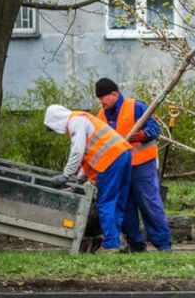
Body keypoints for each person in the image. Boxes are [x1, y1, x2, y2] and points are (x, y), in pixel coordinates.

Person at [95, 78, 172, 252]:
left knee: (149, 204)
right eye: (98, 99)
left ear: (114, 94)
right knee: (126, 207)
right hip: (119, 168)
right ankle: (136, 245)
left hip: (142, 164)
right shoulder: (101, 116)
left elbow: (154, 128)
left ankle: (163, 245)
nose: (101, 102)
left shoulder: (136, 107)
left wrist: (144, 134)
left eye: (103, 97)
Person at [44, 104, 132, 253]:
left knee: (105, 203)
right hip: (123, 154)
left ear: (56, 121)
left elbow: (77, 151)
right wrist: (79, 178)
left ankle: (111, 245)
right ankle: (118, 241)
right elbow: (89, 153)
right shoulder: (83, 119)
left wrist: (66, 175)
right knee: (118, 201)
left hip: (109, 160)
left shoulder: (75, 122)